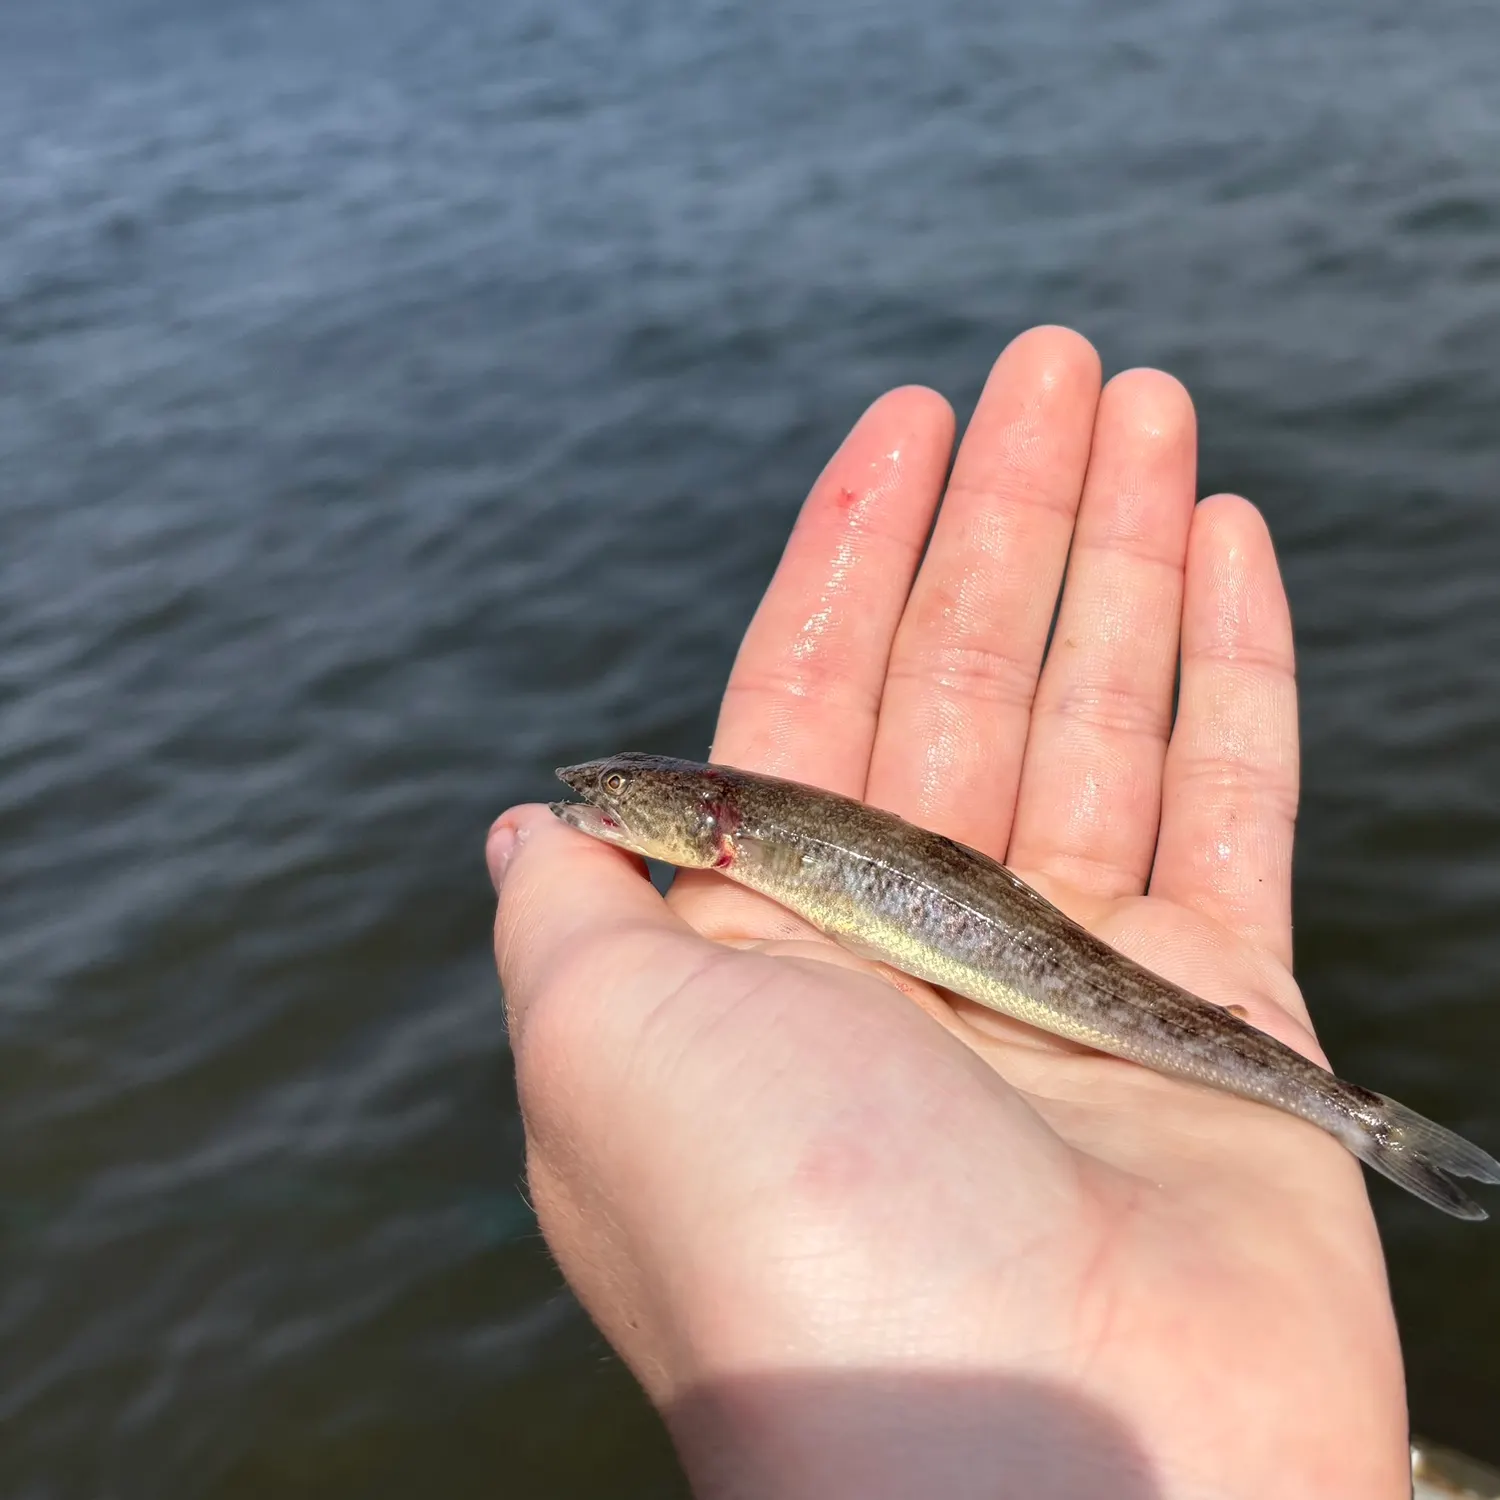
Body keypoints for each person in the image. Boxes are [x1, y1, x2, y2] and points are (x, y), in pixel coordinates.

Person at [487, 327, 1410, 1499]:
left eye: (619, 797)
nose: (598, 807)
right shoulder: (733, 831)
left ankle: (1360, 1121)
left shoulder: (740, 830)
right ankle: (1356, 1120)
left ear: (698, 819)